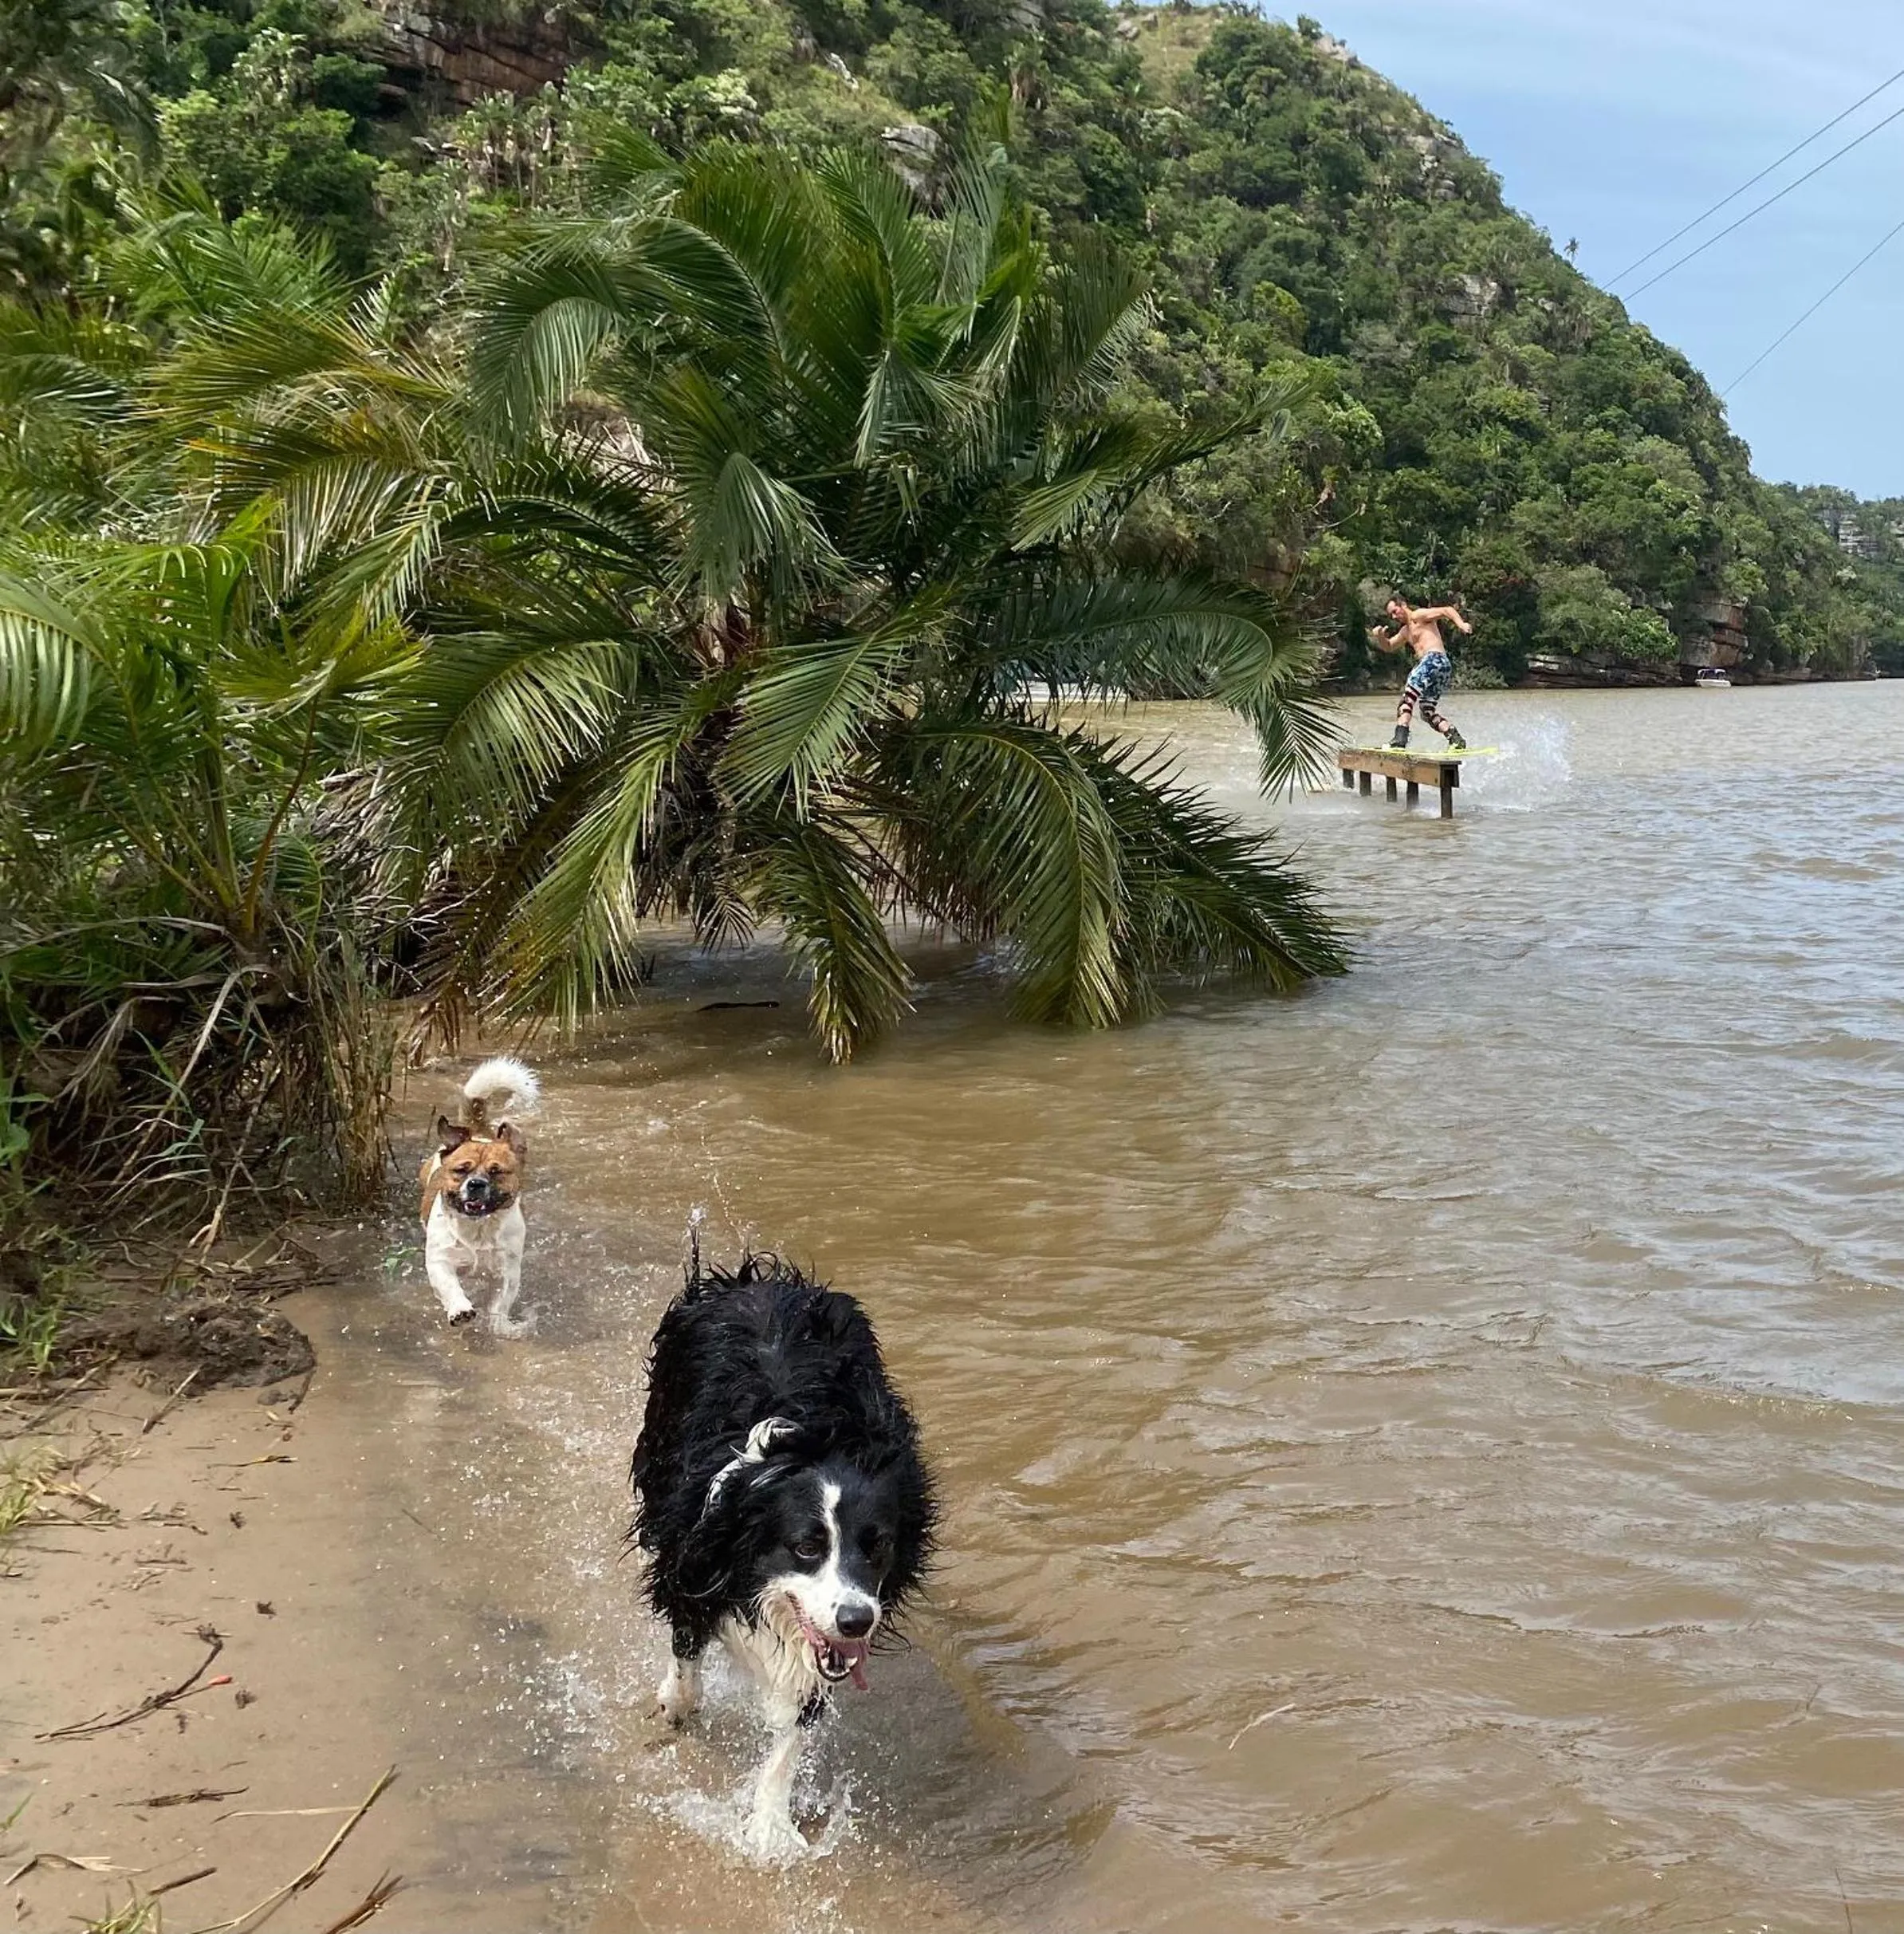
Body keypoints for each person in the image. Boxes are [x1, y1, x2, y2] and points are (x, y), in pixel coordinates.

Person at [1370, 597, 1472, 750]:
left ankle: (1400, 739)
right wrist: (1380, 637)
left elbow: (1447, 610)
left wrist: (1461, 624)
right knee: (1427, 711)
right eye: (1391, 615)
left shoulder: (1419, 616)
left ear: (1403, 605)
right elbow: (1389, 646)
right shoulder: (1405, 631)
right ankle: (1455, 739)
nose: (1394, 617)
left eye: (1395, 612)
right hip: (1443, 667)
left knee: (1407, 699)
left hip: (1433, 659)